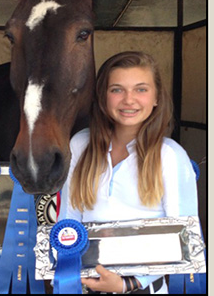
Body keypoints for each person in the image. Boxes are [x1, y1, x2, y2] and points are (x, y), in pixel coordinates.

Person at [58, 51, 198, 294]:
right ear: (102, 97)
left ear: (156, 98)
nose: (129, 100)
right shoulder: (80, 145)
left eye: (141, 89)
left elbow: (184, 238)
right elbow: (68, 218)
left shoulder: (170, 155)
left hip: (143, 289)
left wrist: (128, 284)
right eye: (117, 89)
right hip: (83, 284)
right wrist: (66, 269)